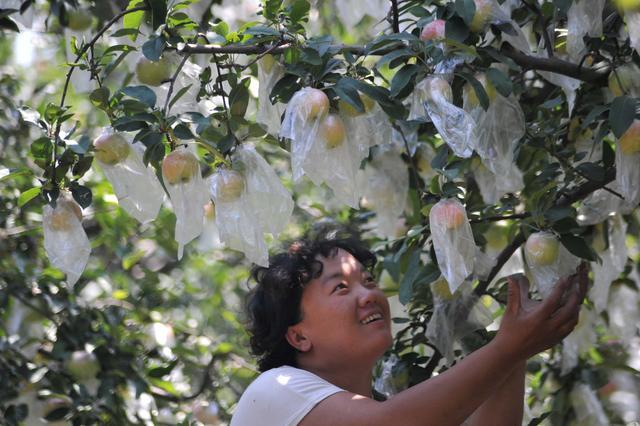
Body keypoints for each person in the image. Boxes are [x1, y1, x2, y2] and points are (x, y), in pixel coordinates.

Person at [230, 234, 588, 426]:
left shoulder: (380, 409)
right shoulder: (276, 390)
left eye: (368, 281)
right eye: (340, 287)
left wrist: (516, 352)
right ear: (299, 336)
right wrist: (507, 348)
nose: (369, 294)